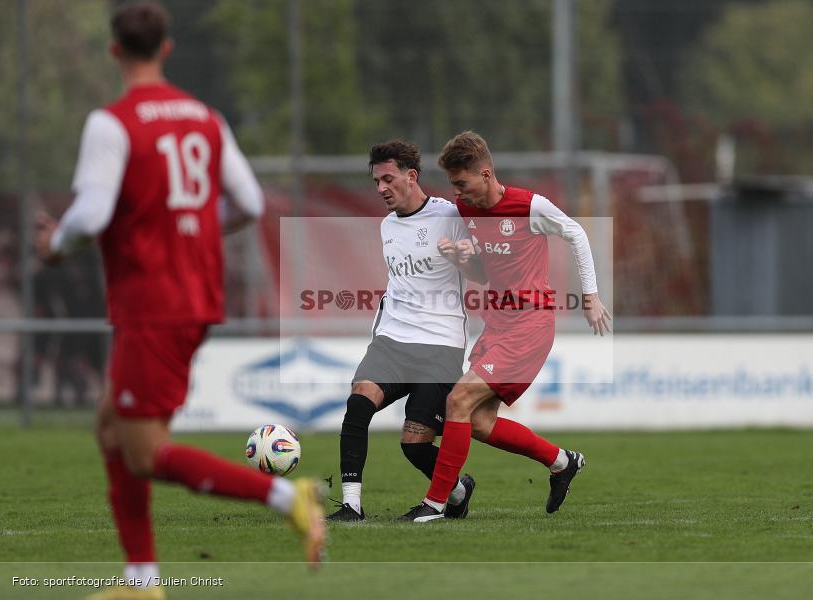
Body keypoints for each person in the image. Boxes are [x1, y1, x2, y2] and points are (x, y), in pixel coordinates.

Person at [34, 3, 324, 598]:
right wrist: (188, 229)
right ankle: (142, 580)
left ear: (115, 51)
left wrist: (55, 245)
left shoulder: (112, 123)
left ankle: (285, 496)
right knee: (110, 426)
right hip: (194, 295)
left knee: (144, 454)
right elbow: (247, 203)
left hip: (152, 302)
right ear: (166, 49)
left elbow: (90, 214)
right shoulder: (205, 118)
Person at [399, 131, 613, 522]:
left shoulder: (529, 206)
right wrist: (460, 258)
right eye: (452, 185)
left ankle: (435, 504)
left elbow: (577, 234)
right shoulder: (466, 210)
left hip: (529, 324)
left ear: (485, 174)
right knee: (479, 422)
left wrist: (591, 296)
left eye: (461, 183)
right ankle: (562, 462)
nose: (457, 193)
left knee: (458, 400)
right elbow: (482, 273)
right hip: (496, 324)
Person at [328, 140, 486, 522]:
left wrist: (461, 258)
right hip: (393, 341)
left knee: (414, 444)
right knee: (358, 402)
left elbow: (481, 273)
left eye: (388, 179)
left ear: (411, 176)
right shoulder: (387, 226)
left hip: (440, 345)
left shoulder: (449, 215)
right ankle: (351, 506)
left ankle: (458, 491)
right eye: (376, 181)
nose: (381, 188)